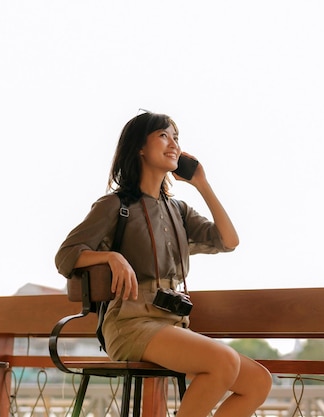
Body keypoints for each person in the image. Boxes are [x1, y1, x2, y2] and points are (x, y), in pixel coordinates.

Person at [55, 111, 272, 417]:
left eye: (176, 137)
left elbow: (228, 240)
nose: (174, 144)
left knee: (257, 383)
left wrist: (201, 183)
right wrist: (110, 256)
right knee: (223, 361)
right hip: (130, 324)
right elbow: (65, 255)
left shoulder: (178, 210)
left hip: (172, 322)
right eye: (163, 136)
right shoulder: (115, 206)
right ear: (140, 147)